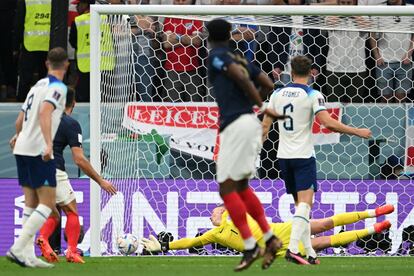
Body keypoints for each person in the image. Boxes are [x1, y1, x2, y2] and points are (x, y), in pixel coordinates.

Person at [262, 55, 372, 265]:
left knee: (301, 208)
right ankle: (293, 249)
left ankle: (310, 251)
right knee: (305, 205)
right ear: (312, 72)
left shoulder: (277, 94)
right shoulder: (313, 94)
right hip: (303, 156)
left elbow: (265, 127)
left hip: (283, 157)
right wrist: (357, 131)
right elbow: (327, 123)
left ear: (291, 72)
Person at [206, 18, 286, 271]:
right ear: (230, 34)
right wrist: (259, 101)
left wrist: (260, 105)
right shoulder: (240, 57)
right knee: (239, 187)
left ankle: (251, 245)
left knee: (226, 189)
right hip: (248, 124)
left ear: (208, 36)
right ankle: (269, 237)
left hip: (237, 124)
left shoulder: (218, 56)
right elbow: (269, 84)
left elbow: (239, 76)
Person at [36, 88, 117, 264]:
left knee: (53, 214)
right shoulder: (70, 124)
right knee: (71, 211)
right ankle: (72, 251)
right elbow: (79, 159)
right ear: (74, 103)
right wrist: (100, 180)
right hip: (52, 169)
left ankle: (43, 237)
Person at [7, 47, 69, 268]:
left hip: (22, 147)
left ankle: (28, 255)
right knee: (48, 203)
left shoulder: (36, 86)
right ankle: (17, 248)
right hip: (38, 151)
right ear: (67, 64)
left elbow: (20, 117)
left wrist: (18, 135)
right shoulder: (57, 87)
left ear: (46, 64)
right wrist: (49, 144)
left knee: (31, 203)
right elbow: (44, 111)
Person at [140, 204, 394, 257]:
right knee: (324, 242)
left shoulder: (232, 210)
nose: (212, 215)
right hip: (277, 251)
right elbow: (188, 242)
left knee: (324, 224)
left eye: (214, 212)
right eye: (211, 215)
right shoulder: (214, 234)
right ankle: (374, 228)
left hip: (280, 231)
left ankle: (375, 212)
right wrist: (164, 246)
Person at [161, 0, 205, 102]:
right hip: (171, 69)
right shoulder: (169, 17)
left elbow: (197, 41)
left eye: (183, 0)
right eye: (177, 0)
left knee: (195, 106)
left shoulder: (195, 17)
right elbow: (167, 44)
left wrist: (176, 36)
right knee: (172, 107)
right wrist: (187, 39)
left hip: (193, 69)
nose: (180, 2)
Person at [14, 0, 52, 102]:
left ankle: (22, 104)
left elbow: (19, 23)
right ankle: (45, 104)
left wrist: (16, 44)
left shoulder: (26, 1)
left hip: (30, 44)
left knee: (25, 78)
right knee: (46, 80)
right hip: (47, 44)